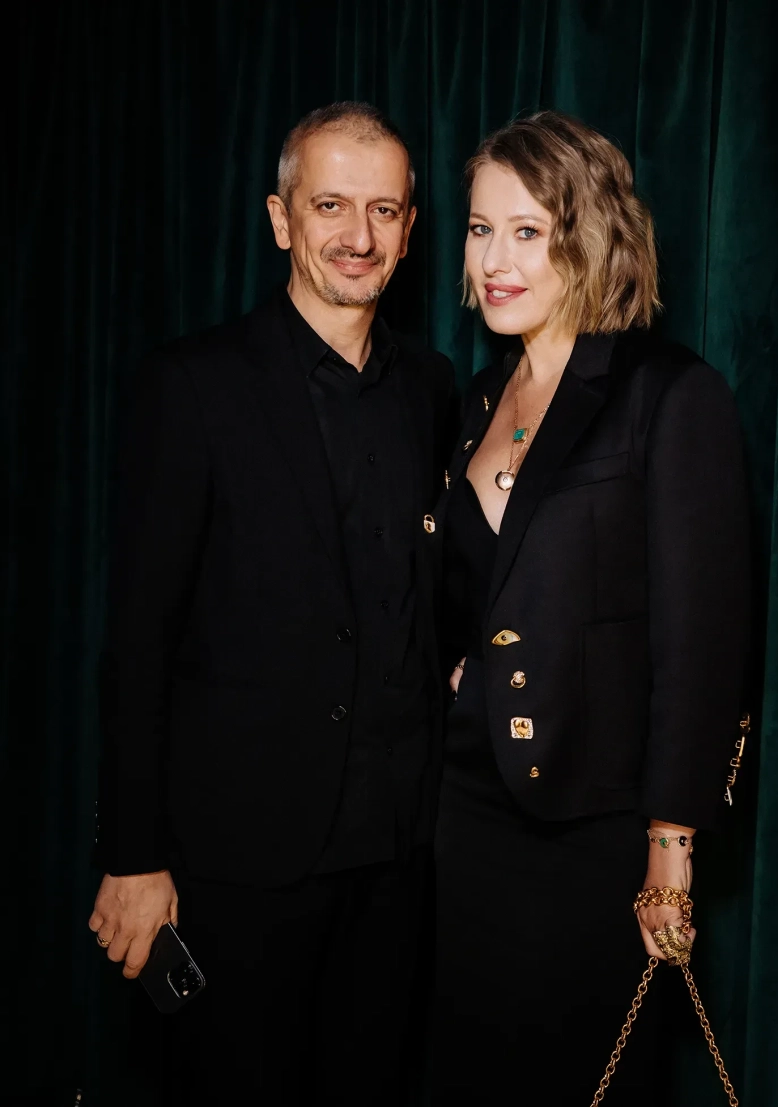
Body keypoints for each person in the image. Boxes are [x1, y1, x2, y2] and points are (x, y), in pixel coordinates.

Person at [88, 101, 455, 1106]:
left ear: (410, 230)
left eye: (384, 210)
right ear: (280, 218)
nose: (358, 236)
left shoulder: (435, 390)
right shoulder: (191, 385)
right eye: (330, 205)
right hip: (237, 862)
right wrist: (133, 858)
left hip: (397, 858)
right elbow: (137, 642)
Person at [431, 111, 750, 1105]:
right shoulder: (476, 401)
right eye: (480, 229)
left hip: (595, 832)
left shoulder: (668, 394)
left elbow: (703, 646)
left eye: (527, 231)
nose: (495, 260)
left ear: (592, 235)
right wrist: (458, 671)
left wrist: (670, 848)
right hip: (461, 818)